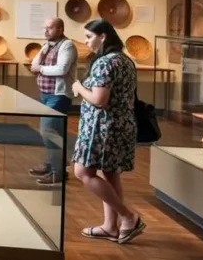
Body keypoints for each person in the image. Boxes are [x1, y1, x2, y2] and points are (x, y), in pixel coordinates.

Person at [72, 18, 146, 245]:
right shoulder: (125, 60)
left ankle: (128, 216)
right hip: (121, 125)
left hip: (102, 128)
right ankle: (110, 227)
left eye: (89, 37)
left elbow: (99, 99)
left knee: (83, 172)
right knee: (110, 173)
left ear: (102, 36)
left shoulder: (105, 63)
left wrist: (78, 88)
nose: (86, 41)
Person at [28, 17, 77, 186]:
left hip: (59, 96)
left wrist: (40, 68)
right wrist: (41, 55)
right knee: (55, 134)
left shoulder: (67, 46)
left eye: (49, 28)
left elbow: (61, 69)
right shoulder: (48, 45)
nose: (45, 31)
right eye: (44, 28)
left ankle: (58, 172)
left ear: (60, 29)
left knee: (47, 131)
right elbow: (33, 64)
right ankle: (54, 165)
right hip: (46, 94)